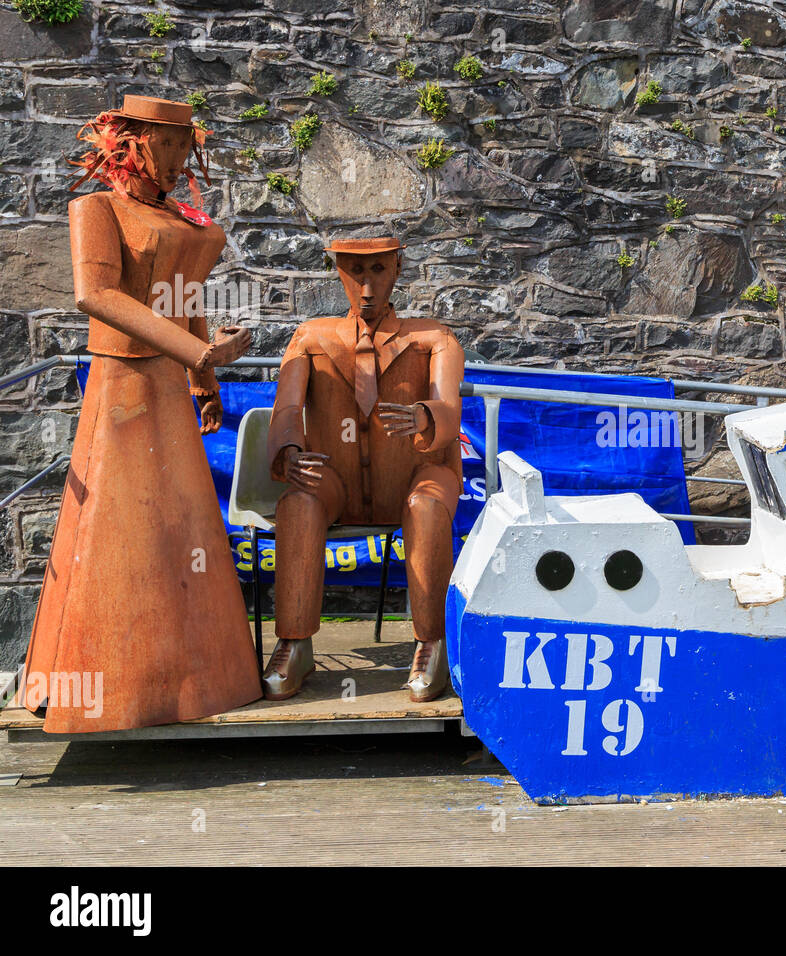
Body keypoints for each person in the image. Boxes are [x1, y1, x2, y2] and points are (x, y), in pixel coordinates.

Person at [22, 95, 262, 732]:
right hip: (123, 390)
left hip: (169, 395)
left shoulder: (181, 217)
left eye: (187, 144)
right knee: (118, 534)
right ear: (130, 143)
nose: (180, 157)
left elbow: (185, 296)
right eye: (169, 143)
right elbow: (95, 294)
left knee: (179, 533)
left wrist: (204, 379)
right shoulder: (98, 209)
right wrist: (198, 354)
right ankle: (108, 689)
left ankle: (199, 678)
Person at [262, 237, 464, 702]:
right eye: (355, 273)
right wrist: (288, 450)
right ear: (339, 273)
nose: (367, 288)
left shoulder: (434, 337)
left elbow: (449, 406)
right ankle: (294, 643)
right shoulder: (310, 337)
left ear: (397, 269)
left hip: (417, 470)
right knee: (299, 502)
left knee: (427, 505)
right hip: (340, 478)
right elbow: (286, 407)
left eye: (377, 271)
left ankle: (432, 642)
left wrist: (425, 415)